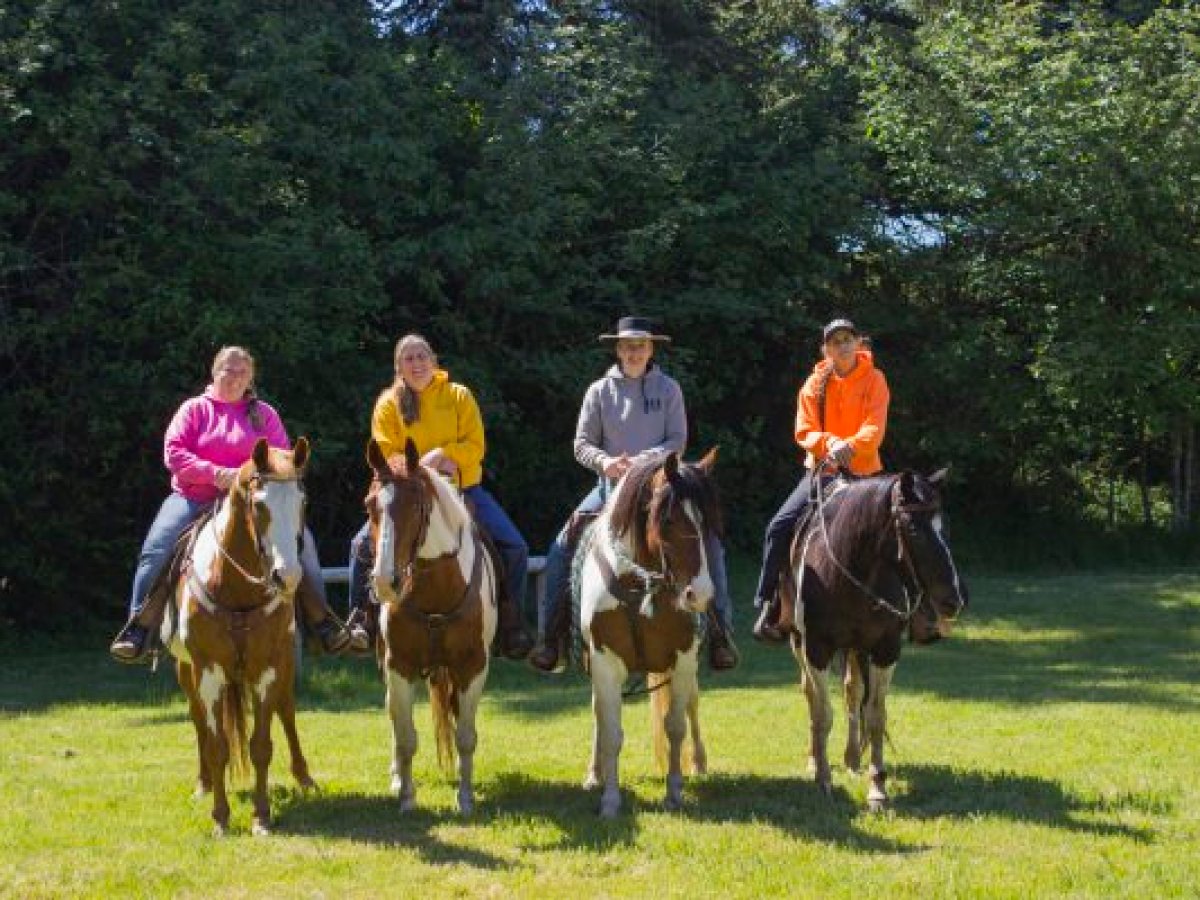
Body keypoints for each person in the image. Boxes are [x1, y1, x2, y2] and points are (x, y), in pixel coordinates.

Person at [110, 346, 359, 662]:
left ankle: (322, 623)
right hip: (194, 497)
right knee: (157, 548)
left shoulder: (264, 414)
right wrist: (216, 474)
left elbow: (282, 458)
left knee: (303, 545)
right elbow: (174, 453)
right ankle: (139, 628)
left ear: (251, 378)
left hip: (251, 503)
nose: (235, 377)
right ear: (215, 372)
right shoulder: (194, 410)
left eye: (242, 372)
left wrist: (246, 478)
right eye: (228, 369)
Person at [529, 316, 739, 673]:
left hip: (663, 491)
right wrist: (606, 462)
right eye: (627, 345)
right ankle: (552, 640)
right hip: (610, 488)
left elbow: (677, 440)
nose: (634, 352)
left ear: (651, 349)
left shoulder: (669, 389)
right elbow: (581, 444)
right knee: (561, 547)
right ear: (617, 350)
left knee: (710, 545)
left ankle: (720, 634)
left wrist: (647, 461)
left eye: (641, 345)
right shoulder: (598, 391)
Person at [345, 334, 534, 660]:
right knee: (360, 545)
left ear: (433, 360)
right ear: (398, 366)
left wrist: (441, 454)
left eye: (422, 356)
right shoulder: (388, 403)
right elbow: (386, 454)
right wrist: (421, 467)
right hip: (407, 496)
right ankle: (362, 619)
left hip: (462, 491)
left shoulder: (459, 396)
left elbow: (475, 446)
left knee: (514, 546)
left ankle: (510, 622)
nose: (417, 364)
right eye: (409, 358)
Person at [751, 318, 891, 641]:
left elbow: (875, 429)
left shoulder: (875, 380)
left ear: (858, 343)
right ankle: (770, 603)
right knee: (779, 526)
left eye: (847, 339)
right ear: (825, 349)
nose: (842, 346)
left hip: (864, 477)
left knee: (903, 531)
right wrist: (830, 444)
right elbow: (804, 430)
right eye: (835, 341)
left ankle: (916, 612)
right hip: (823, 474)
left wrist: (850, 446)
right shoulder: (814, 385)